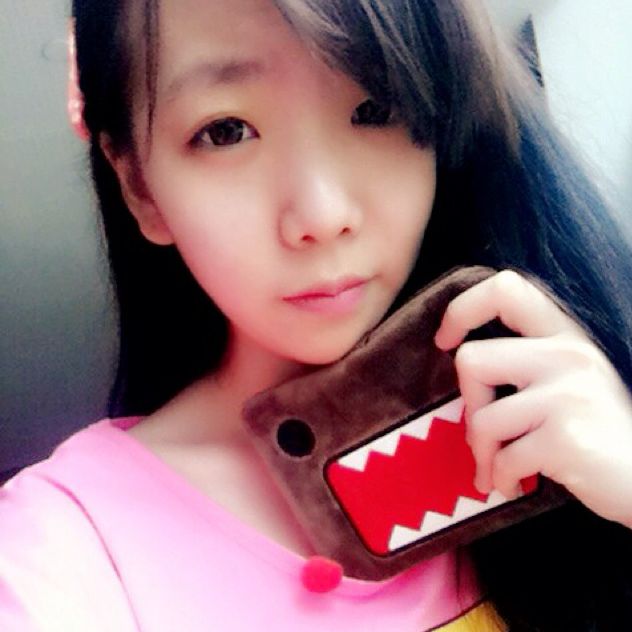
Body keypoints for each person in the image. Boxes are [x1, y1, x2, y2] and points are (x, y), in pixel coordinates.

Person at [2, 0, 632, 629]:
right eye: (226, 131)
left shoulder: (563, 412)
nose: (322, 215)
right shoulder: (72, 541)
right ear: (140, 187)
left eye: (375, 109)